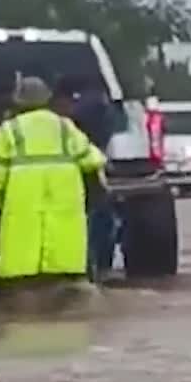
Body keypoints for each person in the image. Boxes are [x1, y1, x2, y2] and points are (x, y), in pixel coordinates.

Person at [0, 76, 107, 285]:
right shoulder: (65, 127)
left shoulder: (9, 130)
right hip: (64, 207)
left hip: (21, 212)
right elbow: (93, 160)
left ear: (18, 102)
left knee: (21, 275)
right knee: (66, 267)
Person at [68, 84, 120, 281]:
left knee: (97, 224)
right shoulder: (75, 129)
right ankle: (97, 269)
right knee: (100, 223)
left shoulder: (68, 127)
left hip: (79, 184)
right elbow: (94, 159)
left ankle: (93, 268)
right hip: (89, 179)